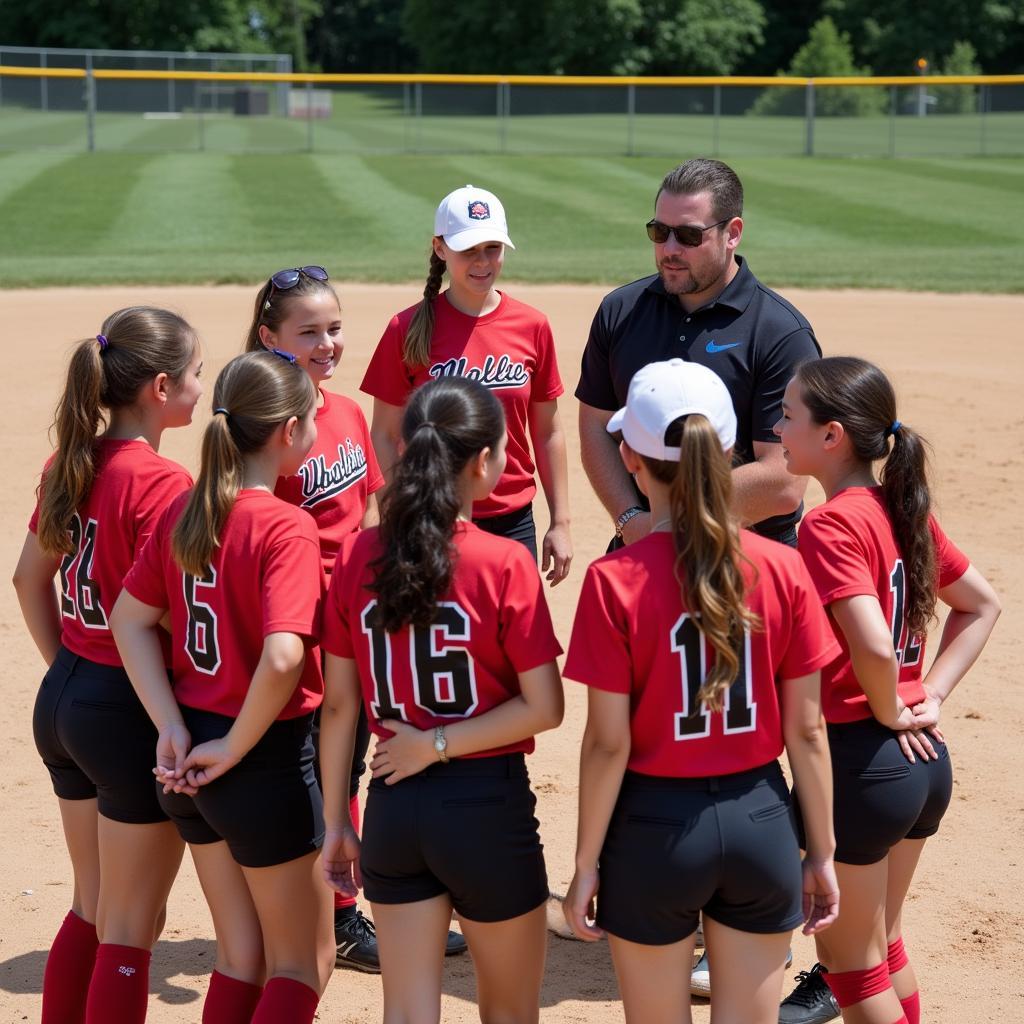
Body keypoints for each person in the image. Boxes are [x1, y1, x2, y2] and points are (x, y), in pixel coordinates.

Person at [562, 359, 841, 1024]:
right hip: (761, 822)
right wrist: (822, 853)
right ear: (726, 454)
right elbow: (807, 732)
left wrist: (584, 864)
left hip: (654, 832)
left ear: (630, 456)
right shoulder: (783, 566)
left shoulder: (614, 579)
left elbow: (606, 743)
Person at [319, 375, 564, 1024]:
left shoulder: (356, 555)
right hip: (485, 806)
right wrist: (438, 744)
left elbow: (339, 707)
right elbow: (545, 707)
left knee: (406, 1012)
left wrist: (338, 825)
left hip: (392, 804)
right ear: (482, 463)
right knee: (510, 1013)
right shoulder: (503, 563)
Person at [110, 350, 336, 1024]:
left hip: (186, 759)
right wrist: (236, 747)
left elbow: (129, 620)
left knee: (243, 955)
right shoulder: (287, 525)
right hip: (258, 760)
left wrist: (172, 727)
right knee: (304, 962)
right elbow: (282, 656)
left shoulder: (188, 507)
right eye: (315, 418)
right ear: (288, 433)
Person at [774, 356, 1000, 1024]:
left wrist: (886, 706)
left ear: (832, 436)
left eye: (788, 416)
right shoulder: (898, 507)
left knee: (851, 966)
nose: (777, 427)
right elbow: (981, 604)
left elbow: (872, 644)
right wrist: (929, 694)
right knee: (884, 942)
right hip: (922, 763)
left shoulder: (831, 522)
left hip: (862, 764)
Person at [243, 265, 437, 972]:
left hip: (355, 624)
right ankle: (330, 914)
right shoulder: (270, 428)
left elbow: (369, 508)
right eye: (308, 332)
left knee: (344, 762)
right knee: (310, 771)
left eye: (334, 327)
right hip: (298, 626)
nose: (328, 343)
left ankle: (341, 908)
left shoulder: (348, 412)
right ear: (269, 338)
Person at [12, 308, 202, 1024]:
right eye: (193, 375)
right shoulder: (162, 483)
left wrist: (69, 666)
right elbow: (171, 621)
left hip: (64, 696)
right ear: (158, 386)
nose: (197, 388)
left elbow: (29, 579)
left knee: (91, 907)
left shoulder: (71, 460)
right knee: (131, 925)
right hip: (124, 711)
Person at [577, 157, 819, 552]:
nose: (669, 249)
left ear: (732, 233)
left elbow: (783, 479)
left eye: (688, 236)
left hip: (748, 558)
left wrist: (670, 521)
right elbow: (596, 428)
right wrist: (631, 520)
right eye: (659, 232)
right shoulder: (620, 311)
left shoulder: (779, 332)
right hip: (640, 545)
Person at [361, 184, 572, 585]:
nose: (482, 261)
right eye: (468, 250)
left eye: (492, 248)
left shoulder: (532, 326)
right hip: (432, 516)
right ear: (440, 248)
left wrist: (560, 522)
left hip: (514, 519)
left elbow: (548, 431)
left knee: (512, 642)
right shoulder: (406, 329)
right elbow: (384, 434)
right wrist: (397, 513)